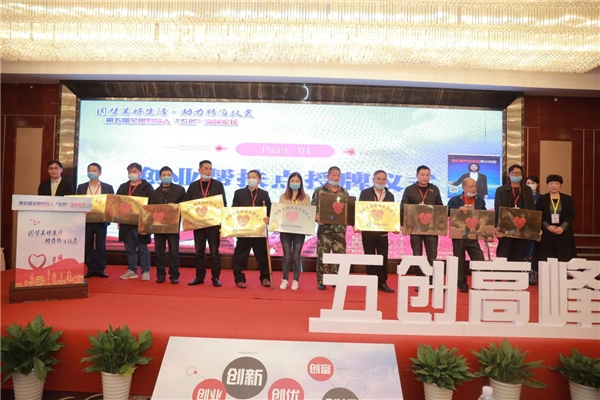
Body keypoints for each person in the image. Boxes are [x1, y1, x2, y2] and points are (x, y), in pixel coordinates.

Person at [185, 160, 227, 287]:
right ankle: (199, 277)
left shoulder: (218, 185)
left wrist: (222, 222)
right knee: (199, 252)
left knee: (214, 252)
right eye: (205, 169)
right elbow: (187, 204)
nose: (208, 171)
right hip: (198, 224)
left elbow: (223, 203)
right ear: (199, 170)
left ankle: (215, 278)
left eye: (210, 169)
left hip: (213, 225)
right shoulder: (193, 186)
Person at [400, 165, 444, 275]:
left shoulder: (434, 189)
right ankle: (419, 278)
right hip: (415, 228)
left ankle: (432, 278)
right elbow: (403, 207)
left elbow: (440, 208)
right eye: (422, 175)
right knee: (417, 255)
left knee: (432, 255)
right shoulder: (409, 190)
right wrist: (403, 224)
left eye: (427, 175)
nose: (425, 177)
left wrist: (441, 226)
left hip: (432, 228)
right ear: (417, 175)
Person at [311, 166, 349, 290]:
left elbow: (348, 210)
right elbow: (313, 207)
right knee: (323, 254)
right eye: (333, 175)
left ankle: (336, 279)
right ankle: (322, 280)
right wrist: (316, 217)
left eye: (338, 175)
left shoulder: (344, 192)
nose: (336, 178)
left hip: (340, 230)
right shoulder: (320, 191)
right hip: (325, 230)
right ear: (328, 176)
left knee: (339, 255)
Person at [447, 178, 488, 292]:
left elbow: (484, 216)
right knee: (459, 260)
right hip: (459, 234)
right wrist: (458, 209)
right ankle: (461, 283)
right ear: (464, 187)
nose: (474, 189)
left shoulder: (480, 201)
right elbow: (447, 212)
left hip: (473, 235)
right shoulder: (455, 200)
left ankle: (479, 282)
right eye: (471, 186)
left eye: (475, 186)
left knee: (479, 258)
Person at [232, 169, 271, 288]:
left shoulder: (264, 194)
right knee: (240, 255)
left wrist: (268, 218)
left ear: (259, 180)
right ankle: (239, 279)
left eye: (254, 177)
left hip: (259, 230)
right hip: (244, 230)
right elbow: (233, 210)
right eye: (249, 177)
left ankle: (265, 277)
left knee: (262, 255)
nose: (251, 179)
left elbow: (269, 211)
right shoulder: (239, 193)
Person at [358, 170, 395, 293]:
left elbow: (391, 214)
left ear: (386, 181)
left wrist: (394, 226)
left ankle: (382, 282)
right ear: (373, 179)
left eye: (383, 179)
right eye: (378, 179)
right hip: (368, 231)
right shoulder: (365, 193)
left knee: (383, 257)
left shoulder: (390, 196)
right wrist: (358, 224)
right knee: (369, 256)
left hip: (382, 231)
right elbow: (360, 211)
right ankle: (371, 281)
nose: (381, 181)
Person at [148, 166, 186, 284]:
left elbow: (185, 207)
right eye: (164, 175)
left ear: (172, 176)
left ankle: (174, 275)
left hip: (173, 226)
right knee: (159, 252)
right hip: (159, 227)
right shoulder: (154, 193)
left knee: (174, 252)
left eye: (169, 175)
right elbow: (150, 211)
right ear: (159, 177)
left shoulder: (180, 190)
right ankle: (160, 275)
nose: (166, 177)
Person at [76, 162, 114, 278]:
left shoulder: (108, 187)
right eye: (89, 170)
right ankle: (90, 268)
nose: (91, 172)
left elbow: (112, 204)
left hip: (101, 221)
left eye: (94, 170)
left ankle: (100, 269)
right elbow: (77, 203)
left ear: (100, 173)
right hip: (86, 221)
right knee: (88, 245)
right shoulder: (81, 187)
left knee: (100, 245)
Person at [117, 163, 154, 280]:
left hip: (141, 224)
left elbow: (151, 207)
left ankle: (145, 271)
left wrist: (147, 225)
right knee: (129, 249)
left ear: (140, 173)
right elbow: (116, 203)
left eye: (134, 171)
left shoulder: (147, 187)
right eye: (130, 172)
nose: (132, 174)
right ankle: (132, 270)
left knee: (142, 248)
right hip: (126, 224)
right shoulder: (123, 187)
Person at [533, 174, 577, 269]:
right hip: (546, 233)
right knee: (546, 257)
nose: (554, 186)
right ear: (547, 185)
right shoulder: (542, 199)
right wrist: (548, 226)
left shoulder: (567, 199)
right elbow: (538, 214)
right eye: (551, 183)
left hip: (563, 233)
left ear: (560, 185)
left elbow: (571, 214)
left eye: (556, 184)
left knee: (563, 257)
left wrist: (562, 227)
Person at [494, 164, 536, 261]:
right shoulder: (501, 190)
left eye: (519, 173)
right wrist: (497, 227)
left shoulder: (527, 190)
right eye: (514, 173)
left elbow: (531, 209)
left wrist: (532, 227)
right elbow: (498, 209)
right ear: (509, 174)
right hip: (505, 227)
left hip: (522, 227)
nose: (516, 175)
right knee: (503, 254)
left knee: (518, 255)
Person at [278, 172, 311, 291]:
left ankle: (296, 280)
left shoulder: (306, 197)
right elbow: (279, 213)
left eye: (297, 181)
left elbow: (308, 215)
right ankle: (285, 279)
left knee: (296, 255)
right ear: (289, 182)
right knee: (287, 256)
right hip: (285, 230)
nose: (295, 183)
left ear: (301, 183)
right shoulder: (283, 197)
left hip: (299, 231)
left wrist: (309, 228)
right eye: (293, 181)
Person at [524, 175, 540, 284]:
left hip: (535, 229)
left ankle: (532, 277)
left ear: (537, 184)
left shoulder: (541, 198)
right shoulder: (522, 196)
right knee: (523, 252)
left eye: (533, 183)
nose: (530, 185)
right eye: (528, 183)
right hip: (522, 228)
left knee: (533, 252)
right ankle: (522, 276)